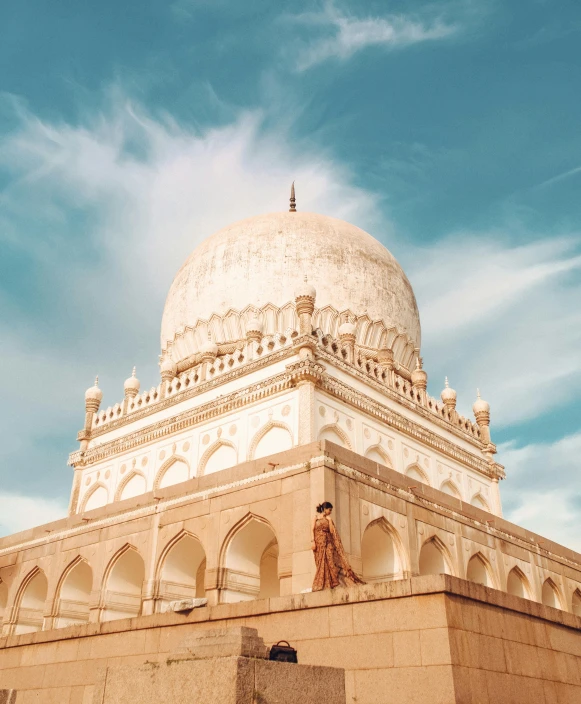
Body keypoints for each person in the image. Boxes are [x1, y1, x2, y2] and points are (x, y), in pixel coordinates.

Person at [311, 501, 365, 591]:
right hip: (318, 543)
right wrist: (313, 541)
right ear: (324, 509)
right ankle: (321, 584)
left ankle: (334, 582)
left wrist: (329, 521)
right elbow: (312, 529)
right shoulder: (315, 518)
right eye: (329, 510)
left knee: (330, 561)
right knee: (321, 562)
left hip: (328, 543)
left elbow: (332, 531)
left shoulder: (329, 519)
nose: (330, 512)